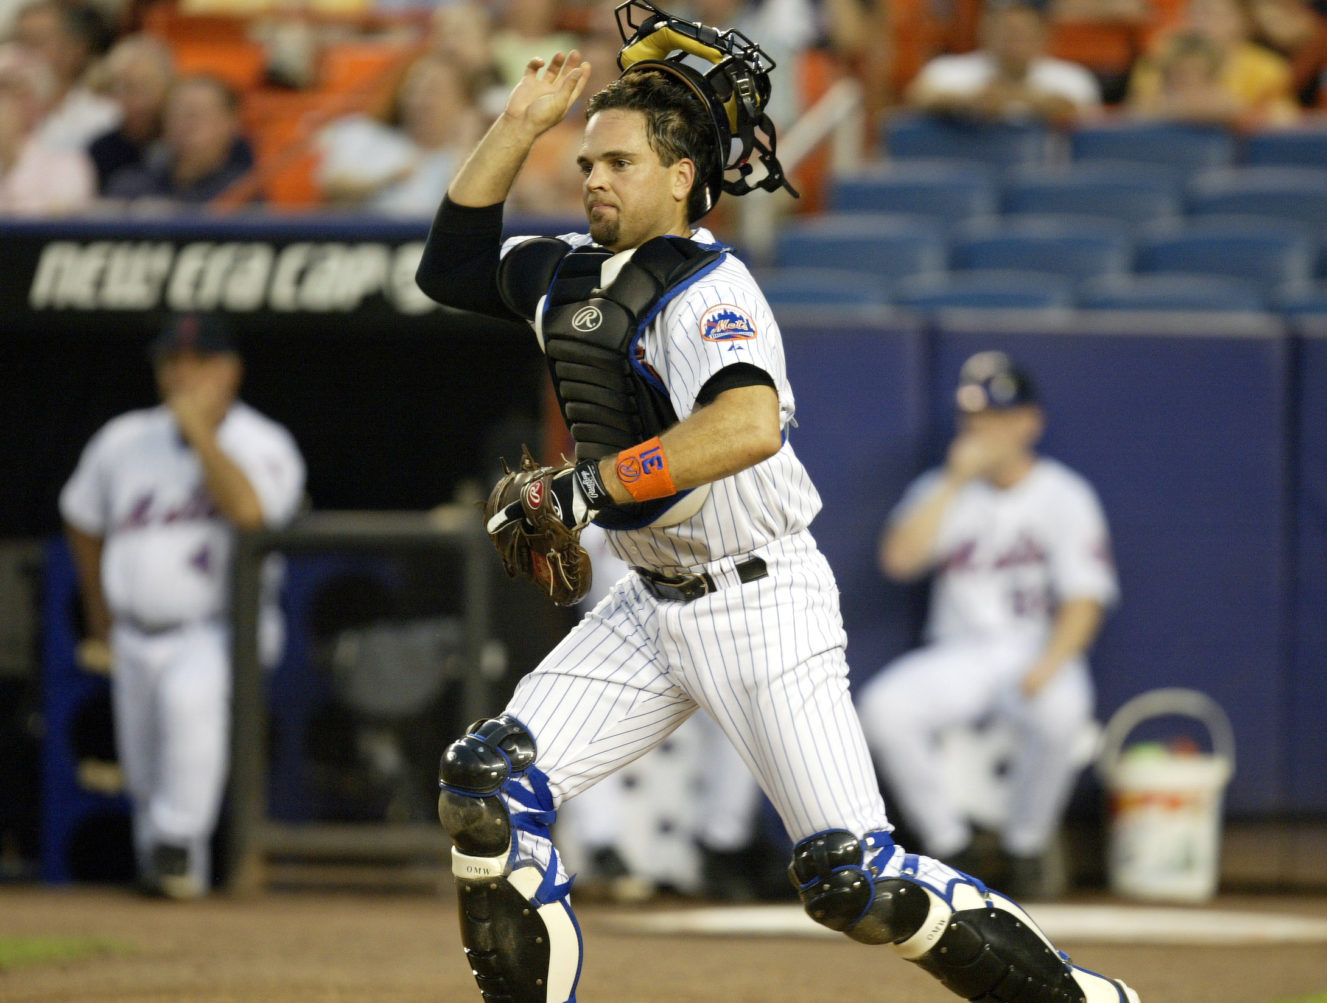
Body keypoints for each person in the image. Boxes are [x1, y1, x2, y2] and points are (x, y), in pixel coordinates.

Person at [414, 3, 1140, 1000]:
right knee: (486, 788)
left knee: (855, 881)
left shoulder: (710, 287)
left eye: (616, 162)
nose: (592, 178)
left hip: (759, 602)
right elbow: (448, 268)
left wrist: (586, 486)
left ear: (679, 177)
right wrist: (516, 126)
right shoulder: (570, 273)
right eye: (587, 163)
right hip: (648, 605)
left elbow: (745, 425)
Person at [59, 314, 305, 899]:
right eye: (173, 363)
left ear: (230, 371)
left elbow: (252, 516)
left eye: (197, 363)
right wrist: (98, 607)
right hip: (137, 630)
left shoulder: (263, 441)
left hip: (222, 630)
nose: (182, 375)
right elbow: (81, 516)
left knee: (188, 703)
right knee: (144, 771)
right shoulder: (123, 439)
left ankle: (176, 843)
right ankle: (171, 876)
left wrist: (200, 435)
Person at [858, 351, 1118, 902]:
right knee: (884, 709)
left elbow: (1085, 598)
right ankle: (952, 849)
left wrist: (1051, 663)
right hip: (960, 653)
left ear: (1030, 422)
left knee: (1064, 711)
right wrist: (954, 480)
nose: (983, 432)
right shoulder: (942, 489)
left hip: (1037, 647)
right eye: (974, 421)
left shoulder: (1064, 494)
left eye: (998, 419)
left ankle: (1025, 850)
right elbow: (900, 560)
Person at [315, 56, 480, 217]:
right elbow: (332, 184)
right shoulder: (364, 133)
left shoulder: (463, 158)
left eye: (433, 90)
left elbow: (469, 214)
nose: (420, 100)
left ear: (462, 103)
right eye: (413, 88)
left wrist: (465, 145)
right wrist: (386, 179)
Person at [903, 0, 1100, 128]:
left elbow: (1076, 108)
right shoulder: (950, 70)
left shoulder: (1071, 76)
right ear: (984, 28)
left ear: (1044, 33)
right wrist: (967, 102)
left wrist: (1012, 99)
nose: (1012, 38)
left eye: (1022, 31)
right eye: (1004, 28)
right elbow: (918, 96)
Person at [1126, 0, 1298, 128]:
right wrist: (1202, 110)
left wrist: (1234, 111)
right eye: (1194, 13)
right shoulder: (1161, 57)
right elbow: (1137, 112)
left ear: (1242, 21)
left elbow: (1286, 120)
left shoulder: (1267, 68)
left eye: (1211, 13)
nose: (1200, 22)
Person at [103, 73, 254, 207]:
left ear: (230, 123)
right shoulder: (131, 187)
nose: (186, 125)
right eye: (177, 113)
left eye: (197, 115)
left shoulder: (245, 193)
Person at [0, 40, 93, 214]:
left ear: (40, 100)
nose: (3, 101)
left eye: (13, 90)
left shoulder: (64, 156)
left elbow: (62, 216)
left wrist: (9, 160)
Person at [11, 0, 116, 151]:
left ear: (74, 49)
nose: (24, 54)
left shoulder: (102, 118)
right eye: (19, 42)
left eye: (37, 41)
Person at [87, 33, 174, 194]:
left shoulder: (183, 143)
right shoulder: (101, 150)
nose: (136, 100)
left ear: (168, 88)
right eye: (124, 88)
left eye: (144, 86)